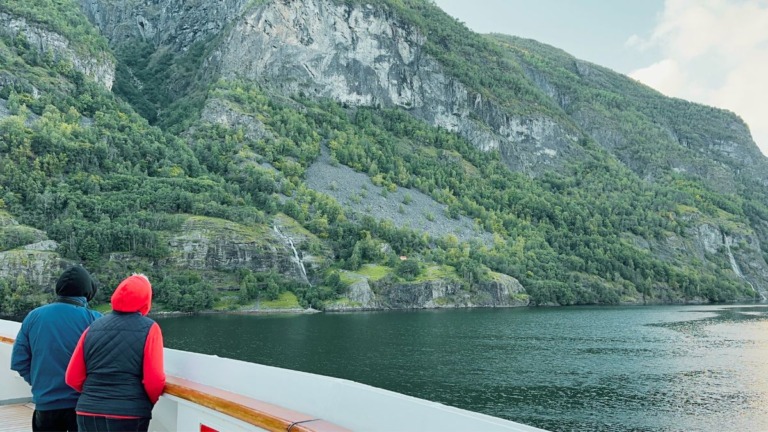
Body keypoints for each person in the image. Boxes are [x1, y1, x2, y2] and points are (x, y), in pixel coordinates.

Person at [66, 273, 165, 432]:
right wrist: (144, 402)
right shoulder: (150, 328)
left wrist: (94, 395)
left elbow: (72, 377)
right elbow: (155, 380)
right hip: (129, 412)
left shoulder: (93, 327)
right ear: (146, 299)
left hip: (87, 411)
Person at [11, 265, 102, 432]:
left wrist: (40, 382)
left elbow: (18, 361)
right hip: (82, 407)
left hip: (45, 406)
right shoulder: (95, 320)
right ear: (88, 291)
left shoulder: (34, 316)